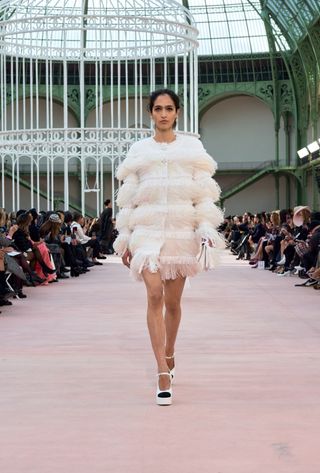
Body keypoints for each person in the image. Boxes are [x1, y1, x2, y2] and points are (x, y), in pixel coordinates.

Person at [113, 89, 224, 406]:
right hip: (146, 233)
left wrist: (204, 227)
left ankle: (170, 351)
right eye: (158, 108)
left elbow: (204, 194)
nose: (163, 114)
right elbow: (128, 198)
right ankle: (162, 369)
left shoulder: (192, 149)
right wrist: (125, 238)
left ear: (177, 113)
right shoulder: (139, 150)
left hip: (179, 231)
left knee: (173, 303)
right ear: (150, 112)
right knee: (154, 294)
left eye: (169, 108)